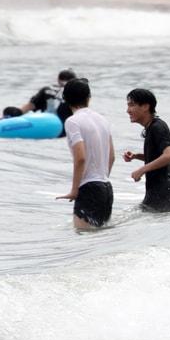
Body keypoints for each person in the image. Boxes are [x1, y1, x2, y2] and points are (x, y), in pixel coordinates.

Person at [57, 78, 114, 230]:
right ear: (89, 97)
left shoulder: (72, 122)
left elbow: (80, 158)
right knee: (100, 239)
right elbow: (112, 156)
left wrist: (75, 190)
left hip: (89, 188)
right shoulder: (102, 119)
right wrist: (101, 180)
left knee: (83, 241)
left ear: (65, 100)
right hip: (106, 187)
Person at [122, 88, 170, 213]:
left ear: (145, 106)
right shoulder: (151, 128)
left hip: (164, 191)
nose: (128, 110)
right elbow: (159, 155)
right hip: (159, 191)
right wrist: (136, 156)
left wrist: (142, 170)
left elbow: (169, 156)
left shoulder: (158, 127)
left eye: (131, 105)